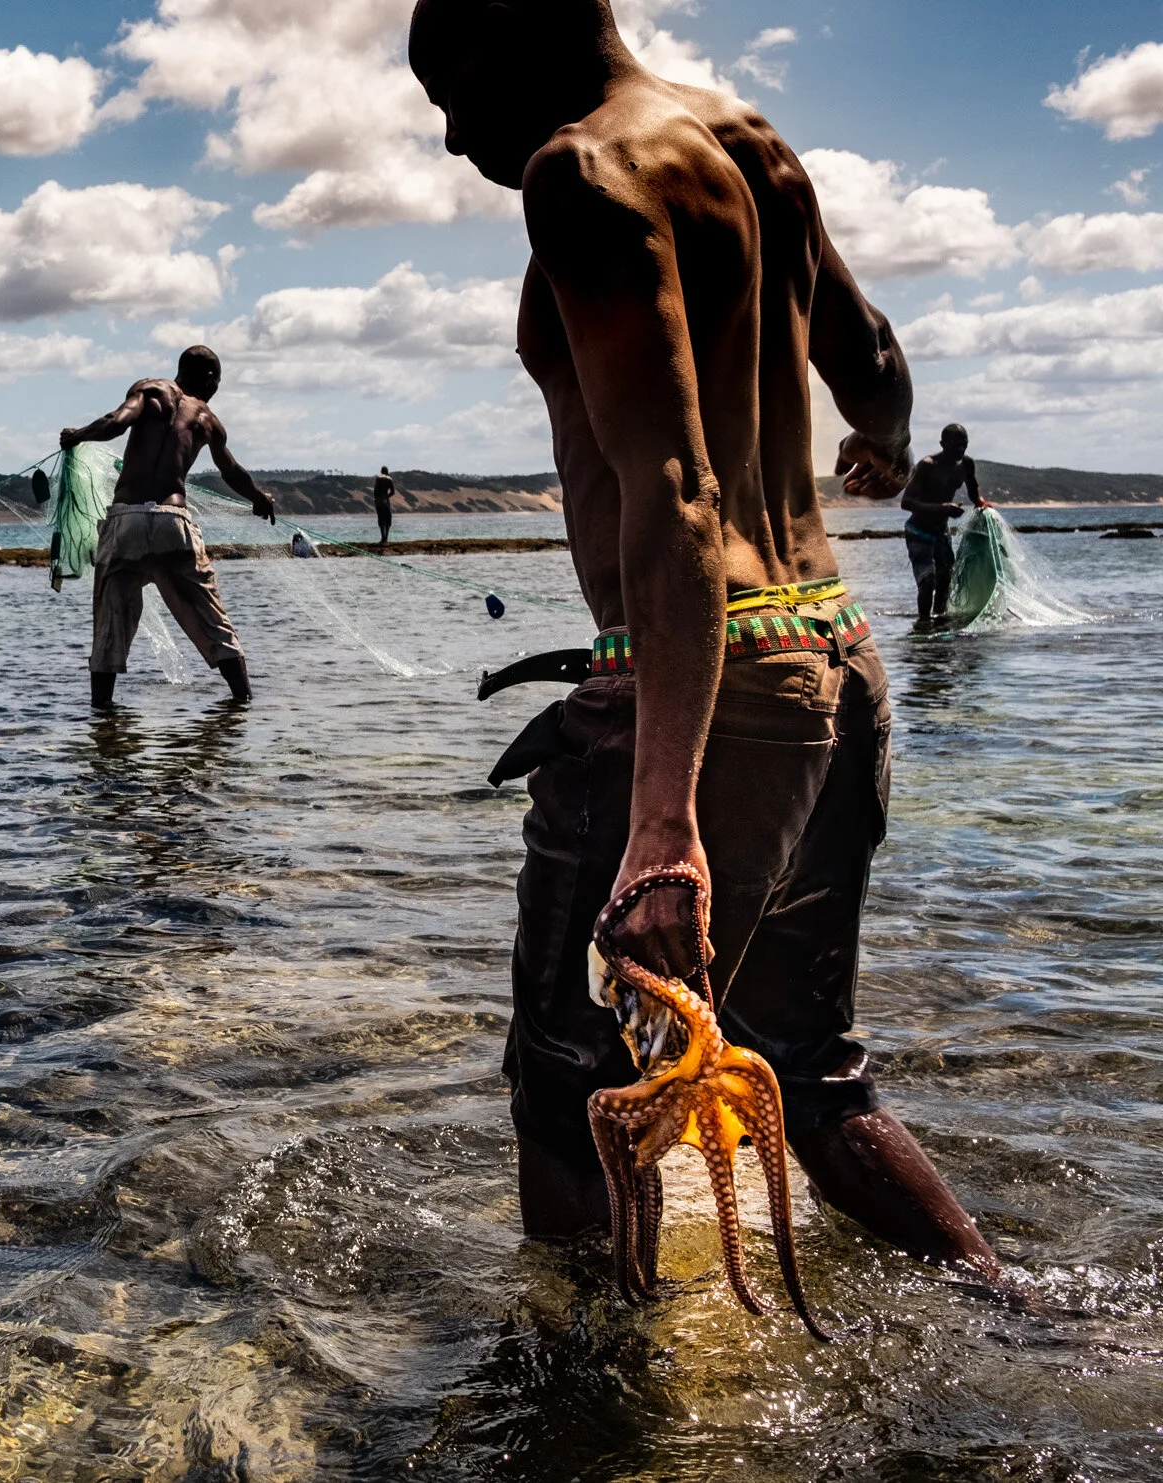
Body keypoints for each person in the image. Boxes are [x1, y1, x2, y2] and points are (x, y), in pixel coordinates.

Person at [410, 0, 999, 1277]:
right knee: (812, 1066)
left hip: (700, 684)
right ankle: (1038, 1317)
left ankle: (590, 1418)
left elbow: (675, 493)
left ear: (525, 28)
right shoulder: (748, 143)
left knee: (570, 1078)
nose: (452, 137)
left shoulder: (584, 170)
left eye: (451, 89)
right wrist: (883, 447)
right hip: (834, 654)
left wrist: (664, 820)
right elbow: (878, 363)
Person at [61, 346, 276, 708]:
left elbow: (115, 422)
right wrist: (258, 498)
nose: (216, 390)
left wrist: (76, 435)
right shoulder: (206, 418)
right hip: (173, 522)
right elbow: (233, 472)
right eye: (217, 382)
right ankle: (244, 703)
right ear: (208, 378)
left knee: (110, 623)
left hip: (125, 520)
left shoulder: (149, 391)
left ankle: (102, 717)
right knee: (212, 618)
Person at [902, 424, 986, 628]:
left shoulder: (966, 464)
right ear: (942, 444)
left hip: (941, 532)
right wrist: (944, 508)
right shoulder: (927, 465)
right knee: (927, 579)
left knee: (945, 578)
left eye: (964, 445)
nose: (960, 450)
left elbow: (973, 491)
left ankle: (939, 619)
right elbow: (907, 503)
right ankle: (923, 624)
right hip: (918, 532)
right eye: (955, 446)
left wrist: (981, 503)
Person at [373, 466, 398, 548]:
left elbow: (375, 490)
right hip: (385, 501)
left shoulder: (378, 478)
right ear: (387, 472)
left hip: (379, 501)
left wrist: (376, 498)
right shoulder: (389, 479)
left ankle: (382, 538)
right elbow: (393, 492)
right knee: (387, 519)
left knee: (381, 518)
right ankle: (386, 538)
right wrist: (386, 496)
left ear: (381, 471)